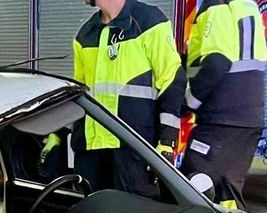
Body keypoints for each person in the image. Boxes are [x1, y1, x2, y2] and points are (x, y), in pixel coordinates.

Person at [69, 0, 185, 197]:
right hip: (91, 151)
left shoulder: (149, 21)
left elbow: (172, 80)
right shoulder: (85, 35)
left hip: (134, 147)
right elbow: (78, 95)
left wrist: (167, 141)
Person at [180, 0, 267, 211]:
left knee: (192, 181)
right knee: (226, 188)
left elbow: (217, 61)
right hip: (247, 119)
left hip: (221, 119)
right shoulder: (246, 6)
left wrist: (187, 103)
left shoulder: (216, 7)